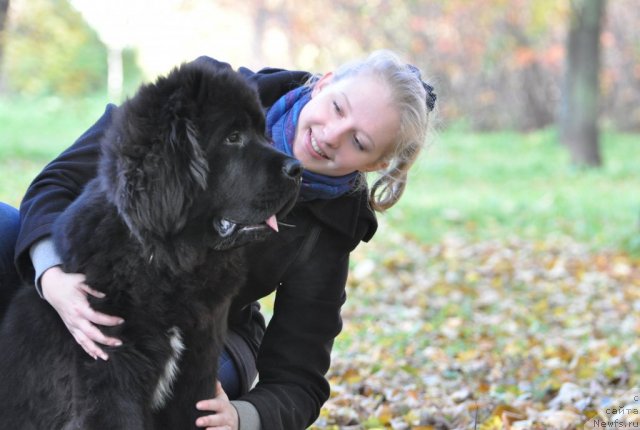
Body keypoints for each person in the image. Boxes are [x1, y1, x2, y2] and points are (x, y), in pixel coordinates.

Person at [0, 50, 436, 429]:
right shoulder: (207, 95)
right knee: (6, 228)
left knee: (196, 404)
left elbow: (299, 378)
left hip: (211, 330)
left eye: (358, 142)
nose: (330, 136)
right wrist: (51, 274)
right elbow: (57, 181)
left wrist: (244, 417)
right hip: (99, 274)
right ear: (323, 84)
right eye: (338, 108)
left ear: (375, 164)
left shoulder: (331, 229)